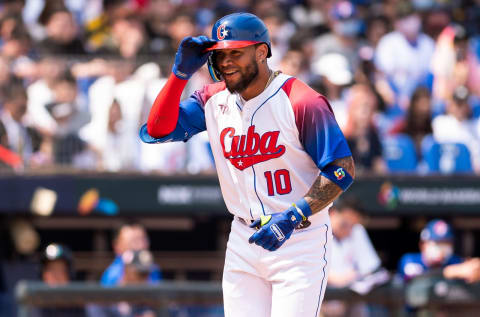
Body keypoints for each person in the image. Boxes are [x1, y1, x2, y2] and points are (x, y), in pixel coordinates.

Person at [140, 12, 355, 317]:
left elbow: (342, 170)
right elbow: (158, 129)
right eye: (220, 54)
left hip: (299, 239)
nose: (226, 61)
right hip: (243, 236)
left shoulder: (300, 100)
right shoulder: (212, 99)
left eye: (235, 53)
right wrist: (179, 76)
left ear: (262, 51)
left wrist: (293, 216)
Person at [398, 219, 480, 283]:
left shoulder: (454, 261)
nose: (442, 247)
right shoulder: (410, 260)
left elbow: (469, 270)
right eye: (437, 242)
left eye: (446, 243)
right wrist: (451, 272)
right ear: (423, 245)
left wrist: (474, 271)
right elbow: (415, 278)